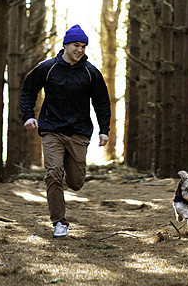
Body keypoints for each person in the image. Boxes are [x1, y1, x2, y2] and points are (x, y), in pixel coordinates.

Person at [20, 24, 111, 238]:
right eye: (76, 45)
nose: (80, 50)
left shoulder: (91, 73)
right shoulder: (48, 67)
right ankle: (59, 222)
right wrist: (28, 115)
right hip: (52, 129)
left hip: (79, 132)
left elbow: (102, 103)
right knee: (53, 173)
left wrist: (104, 130)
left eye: (83, 46)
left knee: (76, 182)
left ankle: (68, 178)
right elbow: (28, 90)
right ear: (66, 45)